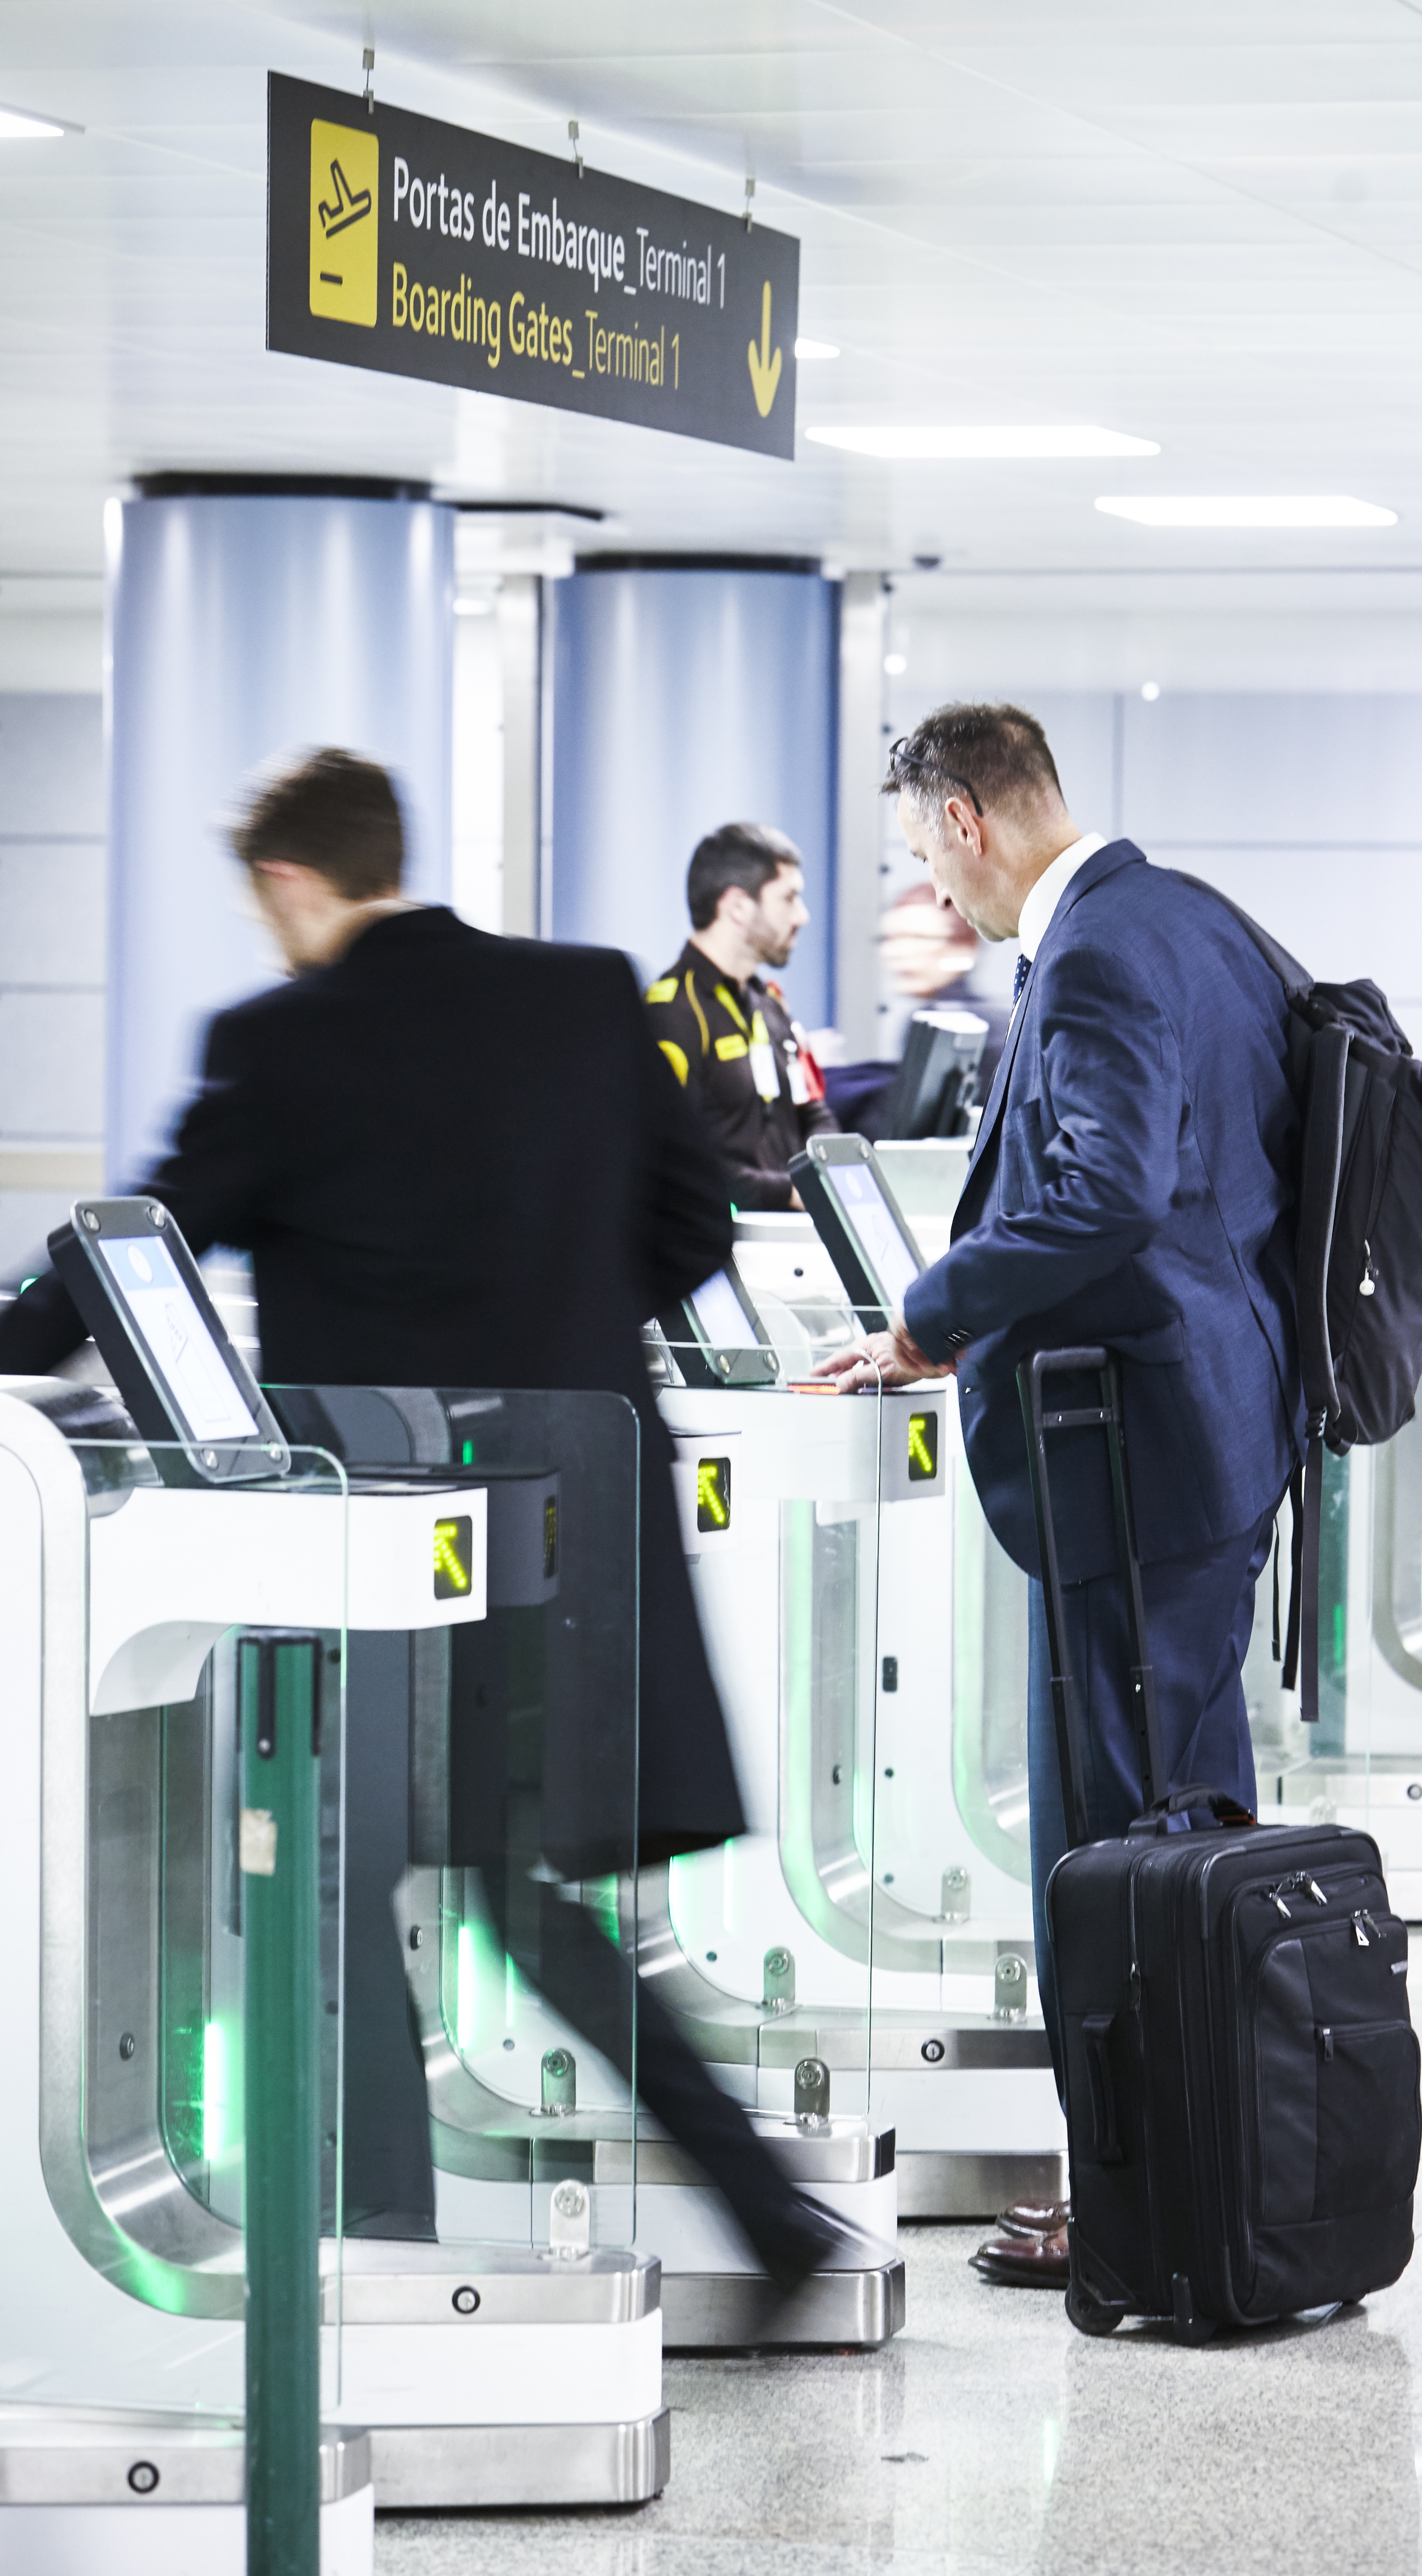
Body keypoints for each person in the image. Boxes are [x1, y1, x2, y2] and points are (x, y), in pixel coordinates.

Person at [0, 747, 862, 2289]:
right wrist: (556, 1349)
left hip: (383, 1541)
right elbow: (687, 1222)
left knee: (364, 1863)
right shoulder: (586, 995)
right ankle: (749, 2207)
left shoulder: (279, 1039)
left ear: (286, 881)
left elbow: (123, 1262)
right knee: (509, 1874)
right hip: (579, 1515)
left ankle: (367, 2246)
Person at [817, 703, 1303, 2288]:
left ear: (963, 819)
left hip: (1129, 1455)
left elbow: (1101, 1191)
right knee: (1185, 1818)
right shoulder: (1204, 924)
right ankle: (1212, 2175)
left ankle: (1149, 2203)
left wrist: (929, 1312)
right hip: (1211, 1425)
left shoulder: (1090, 951)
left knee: (1119, 1840)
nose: (936, 896)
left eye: (919, 855)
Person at [643, 822, 835, 1209]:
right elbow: (669, 1161)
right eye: (789, 898)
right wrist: (792, 1193)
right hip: (727, 1253)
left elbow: (814, 1113)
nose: (803, 916)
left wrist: (835, 1176)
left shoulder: (771, 1004)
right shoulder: (673, 1012)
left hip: (796, 1244)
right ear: (737, 907)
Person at [880, 881, 1012, 1107]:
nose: (895, 952)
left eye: (917, 938)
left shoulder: (933, 1027)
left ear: (965, 948)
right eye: (889, 940)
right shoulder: (1002, 1021)